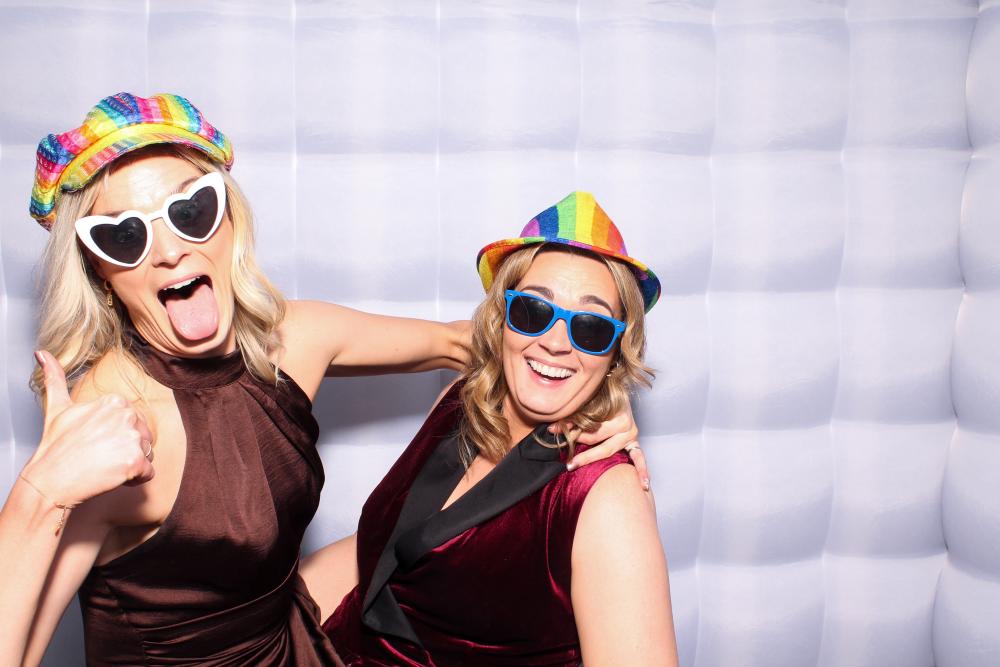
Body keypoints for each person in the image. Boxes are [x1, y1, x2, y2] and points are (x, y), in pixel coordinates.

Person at [1, 93, 644, 666]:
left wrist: (592, 398)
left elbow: (472, 342)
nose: (170, 250)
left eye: (191, 209)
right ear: (97, 269)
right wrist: (39, 494)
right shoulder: (110, 420)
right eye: (123, 236)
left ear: (230, 217)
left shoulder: (294, 339)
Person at [312, 193, 679, 666]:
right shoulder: (459, 403)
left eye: (590, 327)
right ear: (501, 317)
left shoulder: (605, 495)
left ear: (615, 350)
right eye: (533, 311)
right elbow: (385, 560)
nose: (555, 342)